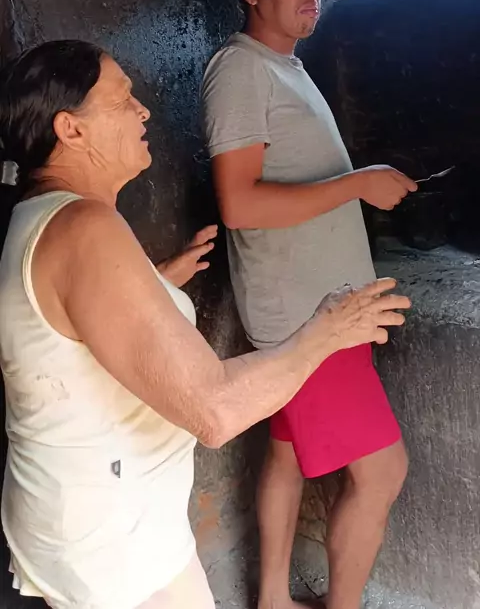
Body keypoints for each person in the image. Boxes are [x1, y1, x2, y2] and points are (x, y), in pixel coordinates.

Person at [0, 40, 410, 609]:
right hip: (112, 548)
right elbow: (215, 412)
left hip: (95, 522)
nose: (143, 111)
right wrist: (329, 330)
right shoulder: (84, 227)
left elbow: (68, 319)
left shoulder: (43, 218)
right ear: (71, 130)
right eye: (122, 100)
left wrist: (156, 282)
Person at [201, 0, 418, 609]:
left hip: (318, 308)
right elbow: (238, 204)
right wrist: (358, 184)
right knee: (382, 472)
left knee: (288, 453)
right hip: (308, 317)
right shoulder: (240, 69)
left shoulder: (284, 68)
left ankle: (272, 598)